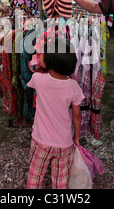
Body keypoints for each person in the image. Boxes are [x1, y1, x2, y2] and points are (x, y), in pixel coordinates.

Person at [26, 38, 84, 189]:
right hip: (64, 143)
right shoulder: (73, 86)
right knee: (60, 181)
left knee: (35, 178)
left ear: (50, 61)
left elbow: (32, 69)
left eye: (43, 53)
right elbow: (77, 116)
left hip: (41, 141)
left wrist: (40, 64)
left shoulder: (38, 79)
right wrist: (76, 138)